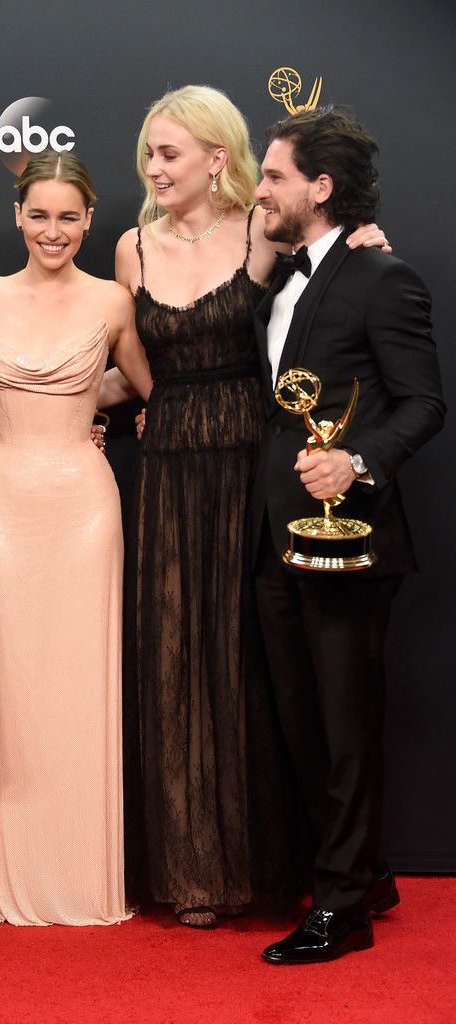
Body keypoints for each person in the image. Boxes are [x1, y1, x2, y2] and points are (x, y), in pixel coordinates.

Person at [104, 85, 390, 928]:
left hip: (249, 464)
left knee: (248, 666)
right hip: (165, 464)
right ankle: (192, 870)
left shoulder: (262, 232)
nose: (152, 168)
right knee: (174, 654)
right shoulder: (130, 246)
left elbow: (329, 300)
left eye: (168, 154)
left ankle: (273, 866)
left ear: (216, 159)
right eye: (148, 154)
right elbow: (128, 365)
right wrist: (63, 402)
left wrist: (371, 246)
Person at [251, 106, 444, 964]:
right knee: (301, 721)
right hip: (273, 536)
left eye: (274, 176)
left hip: (348, 536)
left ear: (319, 188)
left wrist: (356, 464)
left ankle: (342, 909)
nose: (259, 191)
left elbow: (423, 404)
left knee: (344, 723)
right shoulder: (283, 276)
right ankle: (359, 870)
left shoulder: (382, 276)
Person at [0, 151, 153, 926]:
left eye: (68, 216)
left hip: (84, 508)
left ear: (89, 219)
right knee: (9, 683)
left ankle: (82, 869)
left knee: (79, 679)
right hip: (3, 505)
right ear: (17, 216)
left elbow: (149, 387)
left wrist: (94, 414)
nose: (53, 230)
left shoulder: (112, 300)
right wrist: (21, 450)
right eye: (38, 215)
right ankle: (2, 864)